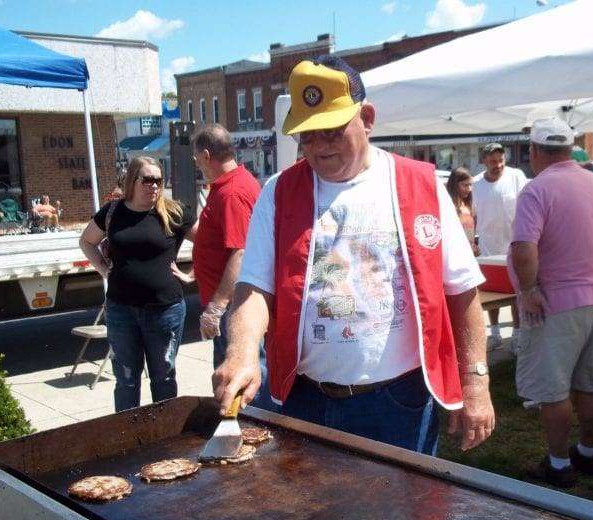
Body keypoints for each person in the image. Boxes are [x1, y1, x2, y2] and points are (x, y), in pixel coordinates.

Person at [212, 55, 495, 454]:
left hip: (398, 401)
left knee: (402, 497)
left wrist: (476, 381)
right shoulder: (279, 191)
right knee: (307, 497)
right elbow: (255, 287)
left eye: (331, 131)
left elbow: (462, 289)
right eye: (307, 135)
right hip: (304, 397)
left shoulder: (422, 185)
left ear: (367, 118)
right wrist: (241, 352)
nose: (318, 146)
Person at [510, 117, 593, 488]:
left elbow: (524, 246)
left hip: (559, 299)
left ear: (534, 151)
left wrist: (528, 290)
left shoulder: (537, 189)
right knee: (592, 382)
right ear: (570, 149)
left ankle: (559, 464)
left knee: (553, 389)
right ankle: (589, 451)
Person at [79, 156, 196, 412]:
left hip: (165, 310)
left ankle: (164, 431)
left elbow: (210, 243)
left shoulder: (174, 213)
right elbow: (86, 241)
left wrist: (192, 274)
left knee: (163, 379)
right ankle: (127, 432)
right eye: (148, 180)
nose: (154, 186)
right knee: (126, 381)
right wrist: (103, 269)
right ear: (133, 180)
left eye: (159, 181)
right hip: (121, 310)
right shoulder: (113, 212)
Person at [172, 124, 274, 410]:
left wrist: (216, 307)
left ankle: (248, 428)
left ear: (206, 155)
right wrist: (196, 272)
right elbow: (220, 244)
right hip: (229, 301)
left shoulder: (231, 193)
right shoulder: (232, 185)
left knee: (237, 381)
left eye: (196, 159)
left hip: (233, 308)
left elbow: (241, 252)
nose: (197, 165)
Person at [473, 142, 528, 351]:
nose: (497, 165)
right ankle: (494, 333)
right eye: (493, 161)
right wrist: (474, 242)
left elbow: (526, 207)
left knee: (516, 292)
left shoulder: (516, 176)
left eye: (501, 160)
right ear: (484, 162)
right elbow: (473, 216)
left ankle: (517, 335)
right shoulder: (476, 183)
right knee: (492, 292)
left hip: (513, 245)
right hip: (488, 247)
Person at [446, 167, 477, 254]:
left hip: (468, 254)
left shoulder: (468, 205)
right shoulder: (448, 206)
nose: (469, 189)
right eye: (465, 185)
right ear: (454, 185)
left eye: (470, 185)